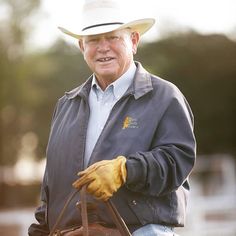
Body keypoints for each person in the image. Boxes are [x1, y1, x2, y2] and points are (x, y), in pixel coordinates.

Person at [29, 0, 196, 235]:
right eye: (94, 40)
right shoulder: (65, 105)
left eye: (113, 37)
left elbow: (177, 162)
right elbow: (50, 188)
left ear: (134, 41)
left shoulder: (165, 96)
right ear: (82, 47)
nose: (103, 47)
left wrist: (126, 170)